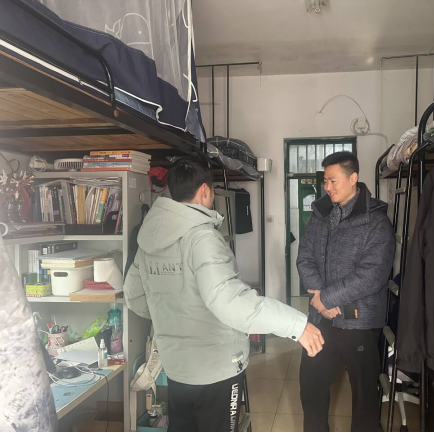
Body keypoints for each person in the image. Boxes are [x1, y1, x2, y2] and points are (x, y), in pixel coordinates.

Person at [124, 157, 324, 432]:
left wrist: (174, 315)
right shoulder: (201, 237)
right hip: (215, 367)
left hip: (176, 366)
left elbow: (134, 296)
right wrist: (296, 324)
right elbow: (232, 304)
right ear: (204, 190)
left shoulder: (148, 238)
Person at [297, 151, 395, 432]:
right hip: (321, 319)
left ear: (353, 178)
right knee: (311, 385)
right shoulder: (320, 215)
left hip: (359, 322)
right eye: (325, 181)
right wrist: (318, 298)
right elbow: (305, 257)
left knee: (365, 395)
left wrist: (326, 298)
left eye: (333, 181)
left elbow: (373, 274)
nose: (327, 187)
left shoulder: (376, 221)